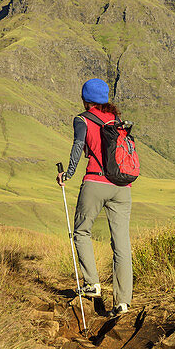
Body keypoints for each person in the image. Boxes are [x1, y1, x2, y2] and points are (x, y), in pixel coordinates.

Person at [56, 78, 132, 316]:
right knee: (121, 243)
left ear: (85, 98)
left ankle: (93, 284)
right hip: (122, 185)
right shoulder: (117, 121)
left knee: (81, 231)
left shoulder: (82, 120)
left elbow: (78, 147)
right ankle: (122, 302)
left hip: (96, 181)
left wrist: (67, 174)